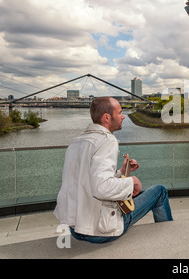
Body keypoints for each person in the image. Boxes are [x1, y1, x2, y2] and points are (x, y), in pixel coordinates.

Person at [54, 96, 173, 244]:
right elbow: (101, 188)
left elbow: (87, 180)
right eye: (120, 112)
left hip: (76, 229)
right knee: (159, 191)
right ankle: (171, 238)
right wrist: (132, 182)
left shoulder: (77, 142)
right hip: (100, 231)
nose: (124, 116)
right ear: (106, 117)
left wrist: (121, 172)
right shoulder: (107, 140)